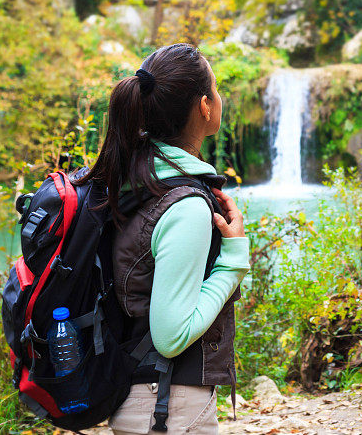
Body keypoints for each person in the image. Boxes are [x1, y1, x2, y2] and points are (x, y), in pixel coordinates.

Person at [77, 43, 250, 434]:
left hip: (142, 399)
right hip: (170, 408)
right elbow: (171, 335)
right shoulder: (184, 205)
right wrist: (234, 259)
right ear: (205, 106)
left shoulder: (131, 178)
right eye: (217, 89)